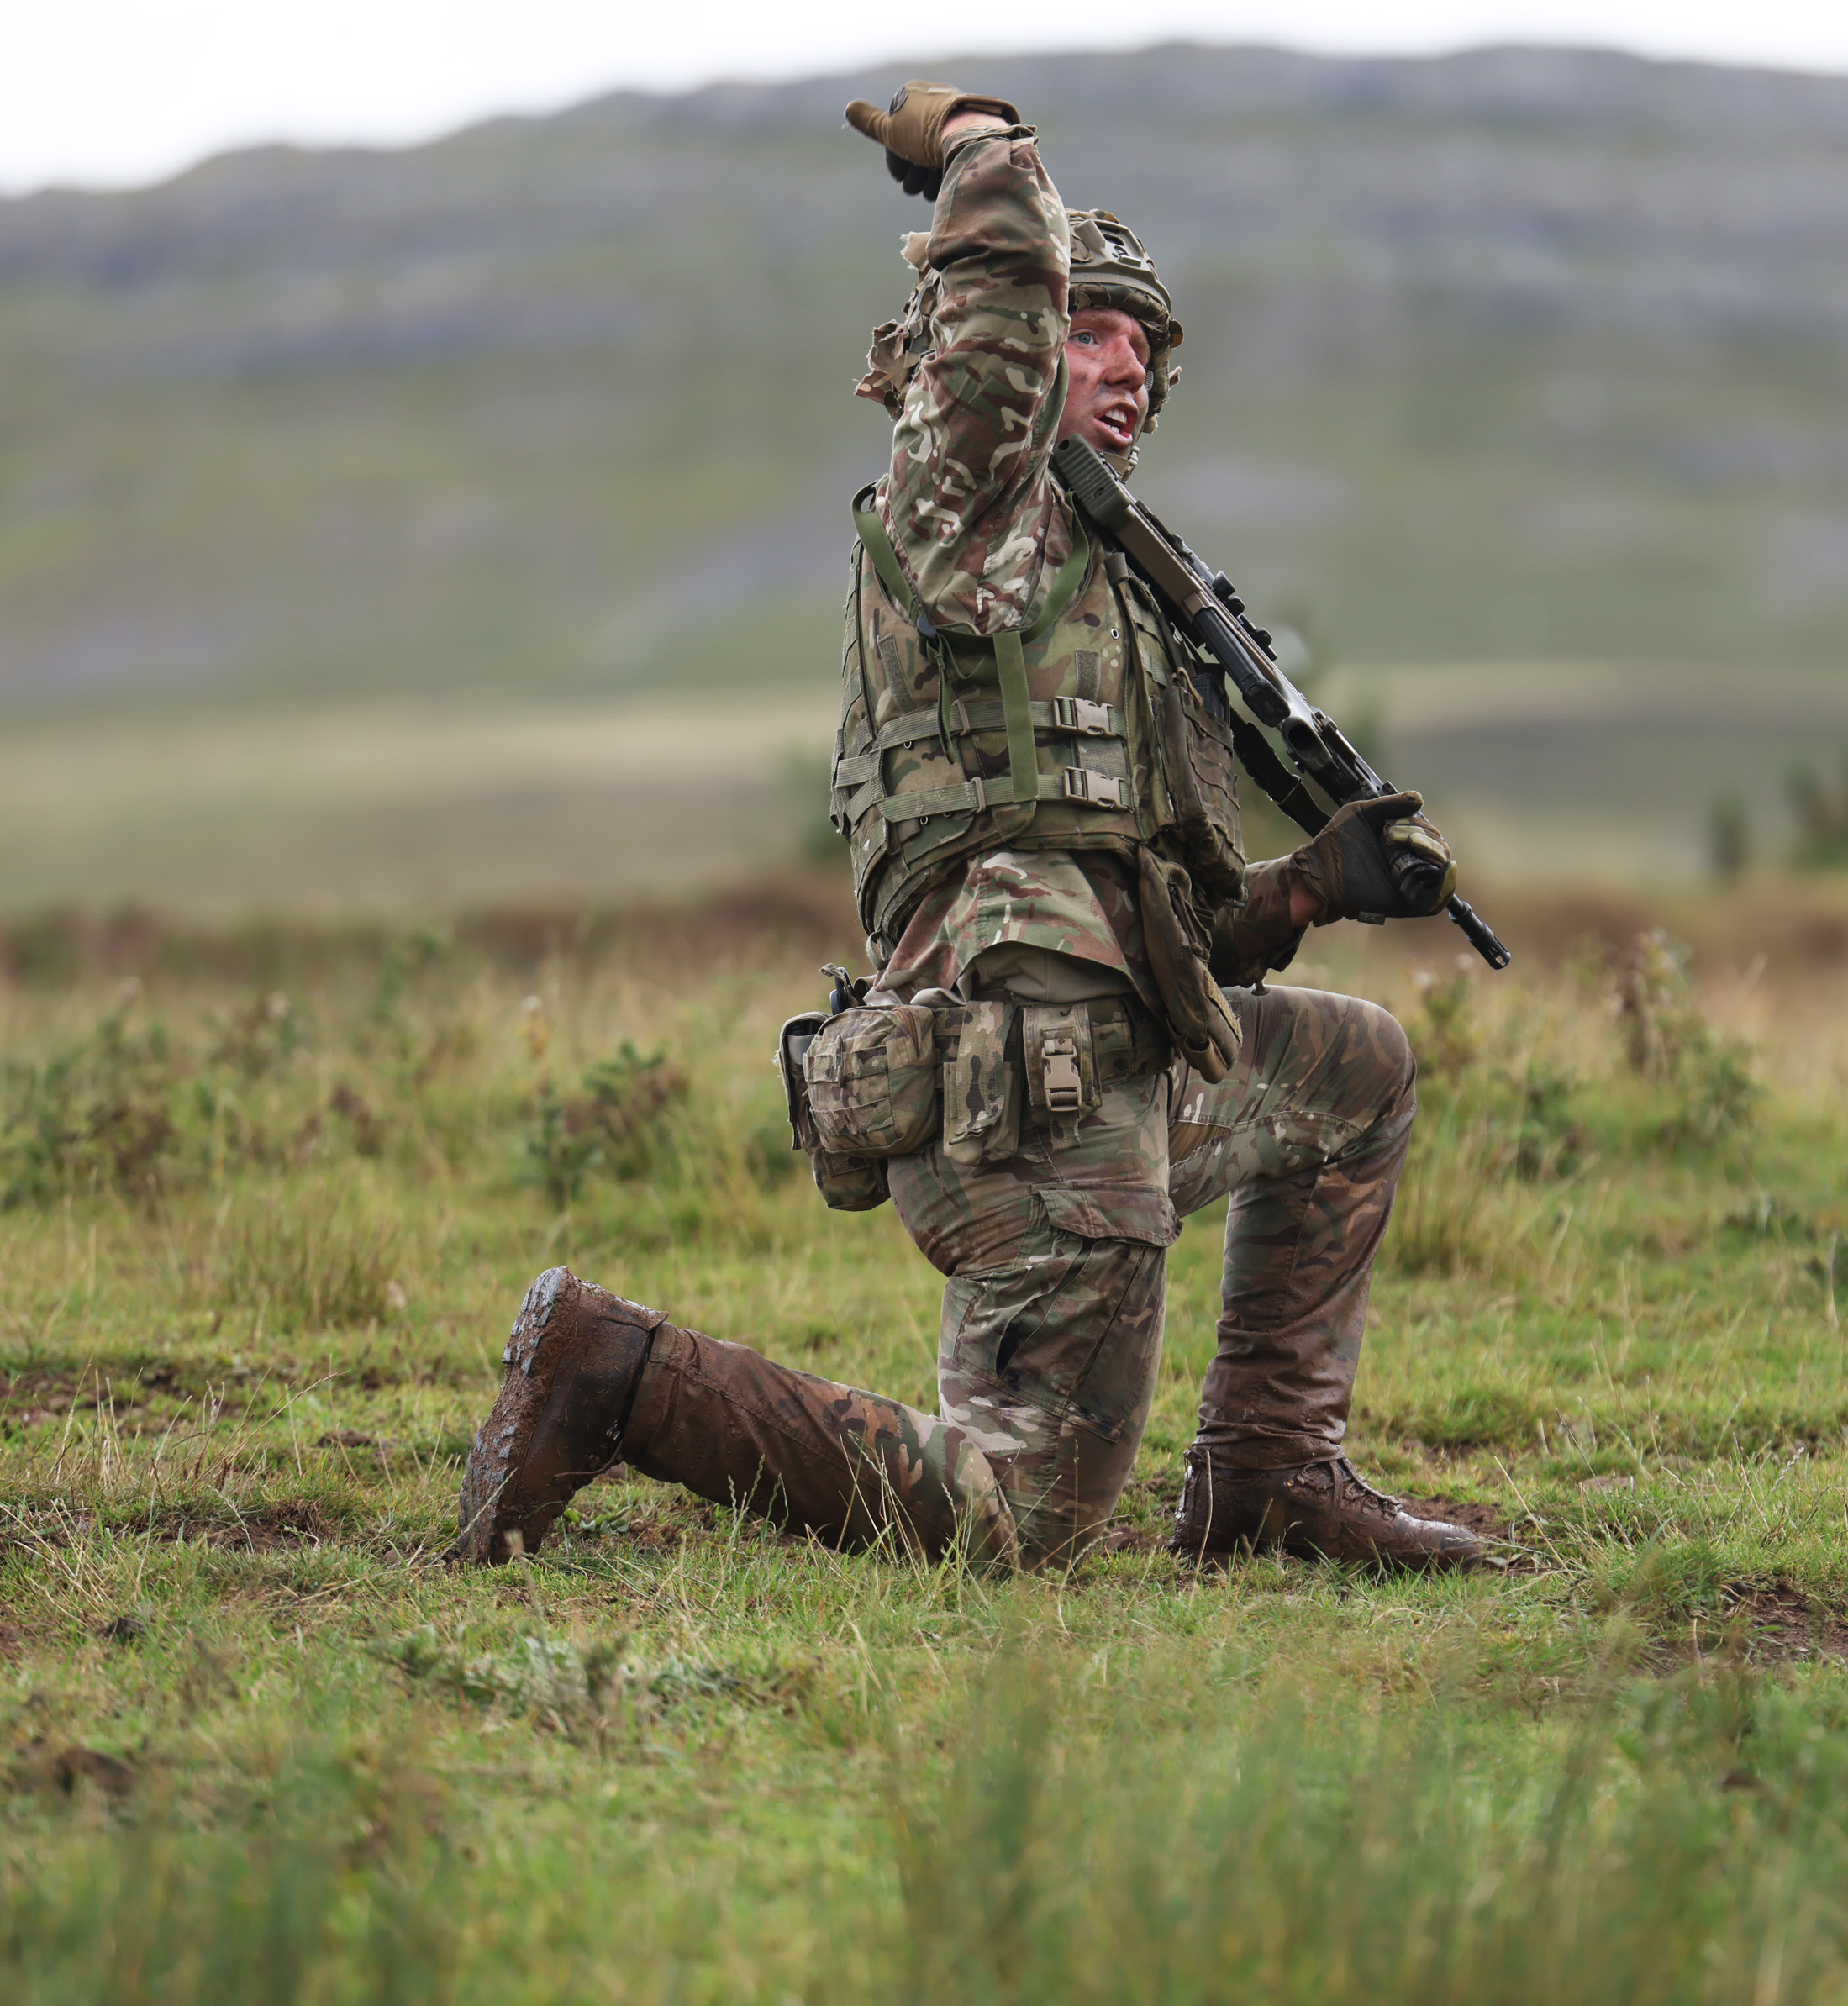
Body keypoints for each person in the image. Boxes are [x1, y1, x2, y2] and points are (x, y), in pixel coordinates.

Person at [450, 82, 1492, 1575]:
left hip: (1107, 1053)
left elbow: (1155, 933)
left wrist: (1311, 886)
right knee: (1026, 1512)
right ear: (992, 365)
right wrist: (980, 144)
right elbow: (999, 289)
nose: (1128, 364)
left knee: (1356, 1076)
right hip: (1028, 1097)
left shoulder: (1092, 584)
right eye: (1090, 332)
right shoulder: (967, 503)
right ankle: (615, 1376)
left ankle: (1269, 1473)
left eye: (1147, 345)